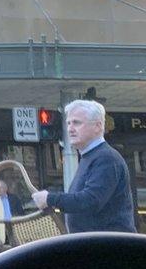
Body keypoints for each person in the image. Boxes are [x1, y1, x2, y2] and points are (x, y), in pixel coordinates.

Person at [32, 100, 136, 233]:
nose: (70, 129)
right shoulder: (91, 157)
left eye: (77, 123)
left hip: (110, 246)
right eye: (68, 123)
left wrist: (50, 198)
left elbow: (91, 201)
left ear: (98, 126)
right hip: (96, 244)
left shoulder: (106, 158)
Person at [0, 179, 24, 245]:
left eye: (1, 188)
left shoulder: (14, 198)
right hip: (0, 226)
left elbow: (21, 212)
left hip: (14, 224)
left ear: (6, 189)